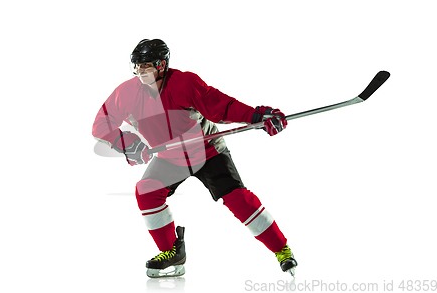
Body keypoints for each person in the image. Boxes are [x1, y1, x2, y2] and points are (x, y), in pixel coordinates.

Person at [92, 39, 297, 278]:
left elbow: (222, 107)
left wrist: (256, 116)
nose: (141, 72)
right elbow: (101, 123)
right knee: (146, 191)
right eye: (137, 66)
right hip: (170, 157)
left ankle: (281, 249)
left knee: (239, 199)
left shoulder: (184, 83)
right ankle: (172, 252)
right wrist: (127, 143)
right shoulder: (126, 93)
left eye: (147, 65)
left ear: (162, 65)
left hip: (207, 151)